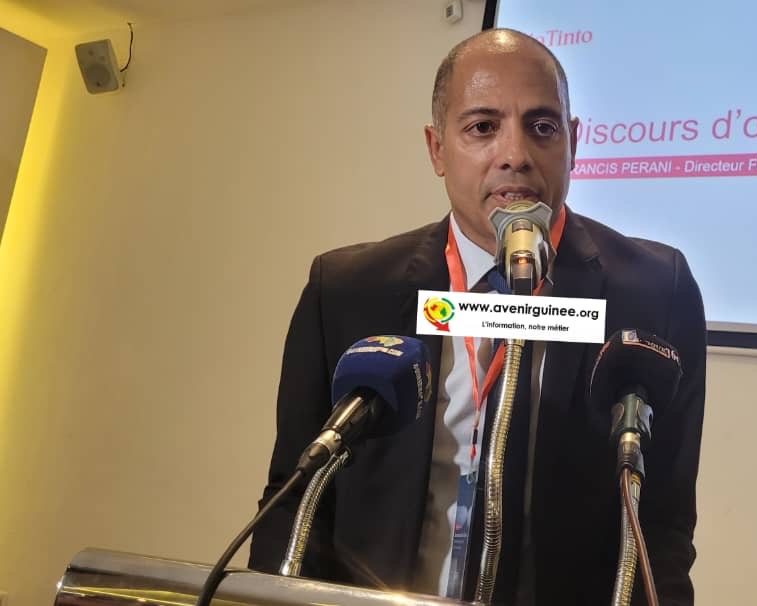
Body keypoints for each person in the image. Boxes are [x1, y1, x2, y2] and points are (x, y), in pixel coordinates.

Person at [249, 28, 706, 606]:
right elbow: (294, 495)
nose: (515, 154)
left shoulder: (655, 289)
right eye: (483, 127)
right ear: (437, 148)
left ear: (573, 142)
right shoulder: (346, 291)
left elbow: (662, 523)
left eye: (542, 127)